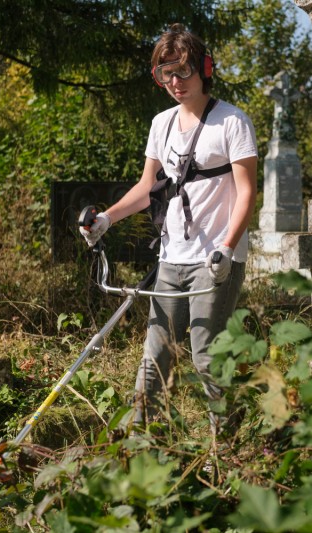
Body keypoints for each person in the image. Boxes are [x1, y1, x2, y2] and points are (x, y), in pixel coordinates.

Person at [79, 23, 257, 438]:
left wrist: (227, 249)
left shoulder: (231, 122)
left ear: (204, 68)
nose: (176, 83)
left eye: (184, 72)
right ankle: (143, 449)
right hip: (171, 258)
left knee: (206, 357)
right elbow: (147, 188)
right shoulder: (161, 124)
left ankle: (229, 448)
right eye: (166, 75)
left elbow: (247, 193)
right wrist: (106, 218)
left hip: (215, 261)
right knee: (155, 356)